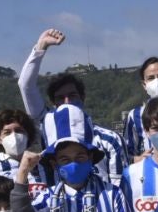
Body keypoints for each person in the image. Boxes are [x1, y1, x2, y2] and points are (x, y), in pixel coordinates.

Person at [17, 28, 128, 187]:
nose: (67, 101)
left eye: (72, 95)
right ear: (53, 103)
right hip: (58, 207)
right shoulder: (48, 127)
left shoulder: (109, 139)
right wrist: (41, 46)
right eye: (60, 98)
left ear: (82, 98)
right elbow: (25, 86)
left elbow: (120, 185)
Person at [0, 108, 48, 196]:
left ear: (28, 134)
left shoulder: (44, 165)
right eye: (7, 132)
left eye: (19, 131)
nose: (14, 136)